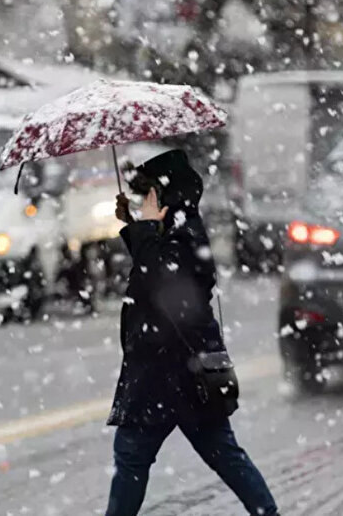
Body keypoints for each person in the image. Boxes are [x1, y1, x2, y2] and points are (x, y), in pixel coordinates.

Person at [105, 149, 277, 516]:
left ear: (164, 193)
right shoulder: (181, 226)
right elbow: (157, 267)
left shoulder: (183, 233)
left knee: (133, 457)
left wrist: (145, 226)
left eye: (148, 192)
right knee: (221, 455)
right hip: (181, 371)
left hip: (168, 372)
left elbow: (158, 280)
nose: (144, 198)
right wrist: (136, 223)